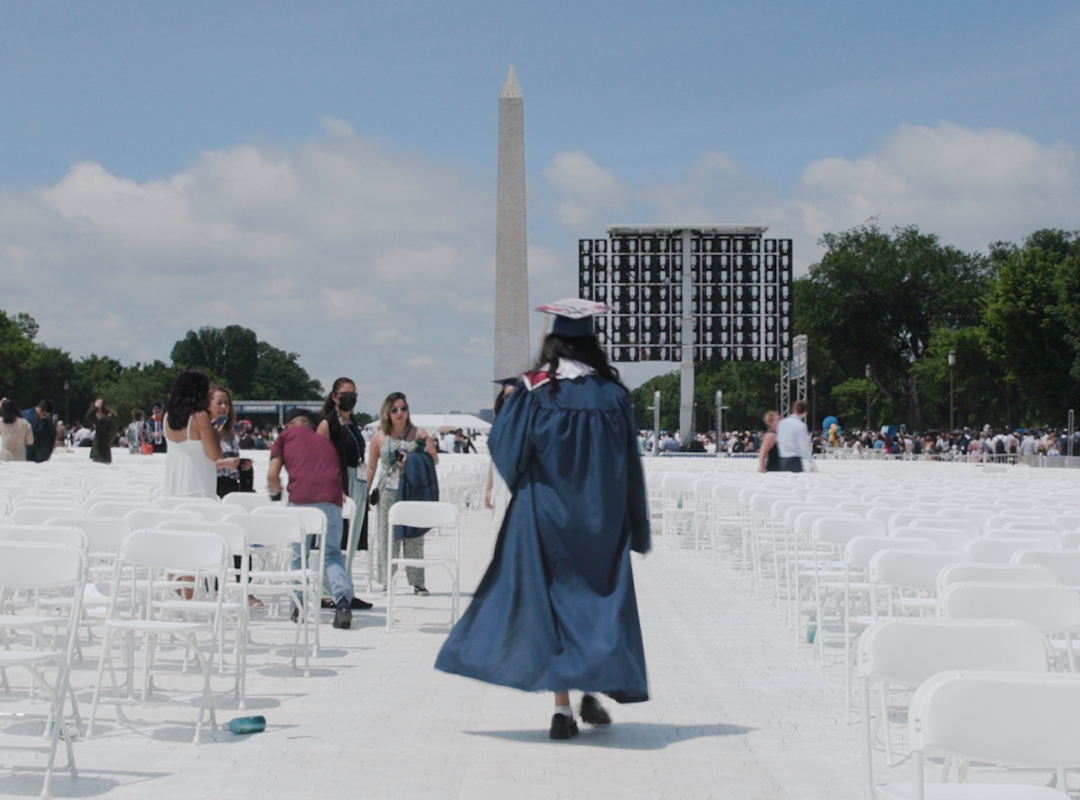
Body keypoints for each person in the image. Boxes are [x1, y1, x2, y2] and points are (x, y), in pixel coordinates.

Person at [435, 297, 651, 741]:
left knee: (550, 607)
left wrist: (533, 486)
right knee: (596, 605)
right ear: (593, 343)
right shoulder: (614, 395)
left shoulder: (535, 391)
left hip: (547, 516)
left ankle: (562, 709)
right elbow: (630, 463)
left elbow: (506, 448)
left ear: (551, 342)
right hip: (602, 516)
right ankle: (592, 684)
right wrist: (634, 521)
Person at [267, 408, 355, 629]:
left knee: (299, 554)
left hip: (303, 498)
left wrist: (275, 494)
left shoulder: (284, 437)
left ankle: (300, 604)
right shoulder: (323, 441)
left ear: (289, 425)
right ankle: (343, 601)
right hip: (333, 498)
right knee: (332, 553)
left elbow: (272, 474)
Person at [366, 393, 439, 596]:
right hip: (388, 490)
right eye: (394, 410)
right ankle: (387, 580)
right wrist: (366, 491)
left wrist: (415, 458)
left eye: (403, 409)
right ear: (387, 413)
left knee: (414, 535)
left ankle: (417, 581)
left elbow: (434, 459)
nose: (399, 413)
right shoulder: (379, 437)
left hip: (413, 487)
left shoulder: (419, 434)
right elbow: (371, 467)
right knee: (387, 535)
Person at [316, 377, 374, 610]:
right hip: (339, 483)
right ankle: (328, 592)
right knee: (335, 540)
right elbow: (321, 458)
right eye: (345, 394)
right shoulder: (327, 423)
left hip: (356, 482)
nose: (350, 398)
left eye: (354, 394)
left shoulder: (352, 422)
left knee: (351, 539)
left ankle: (346, 588)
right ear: (334, 396)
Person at [163, 369, 221, 499]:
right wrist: (216, 431)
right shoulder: (200, 417)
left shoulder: (167, 417)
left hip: (174, 484)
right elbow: (215, 455)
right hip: (198, 484)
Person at [209, 385, 253, 497]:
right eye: (219, 403)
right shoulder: (204, 432)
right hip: (211, 486)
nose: (223, 407)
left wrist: (242, 465)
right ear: (208, 405)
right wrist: (225, 463)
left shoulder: (233, 435)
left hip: (232, 488)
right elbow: (199, 466)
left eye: (226, 403)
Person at [776, 400, 815, 473]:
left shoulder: (781, 423)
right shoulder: (801, 426)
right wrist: (811, 462)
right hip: (794, 460)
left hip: (782, 459)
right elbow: (804, 447)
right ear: (805, 413)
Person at [85, 399, 119, 464]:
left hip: (100, 453)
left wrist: (96, 407)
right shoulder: (110, 420)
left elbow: (88, 416)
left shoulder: (105, 422)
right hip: (104, 454)